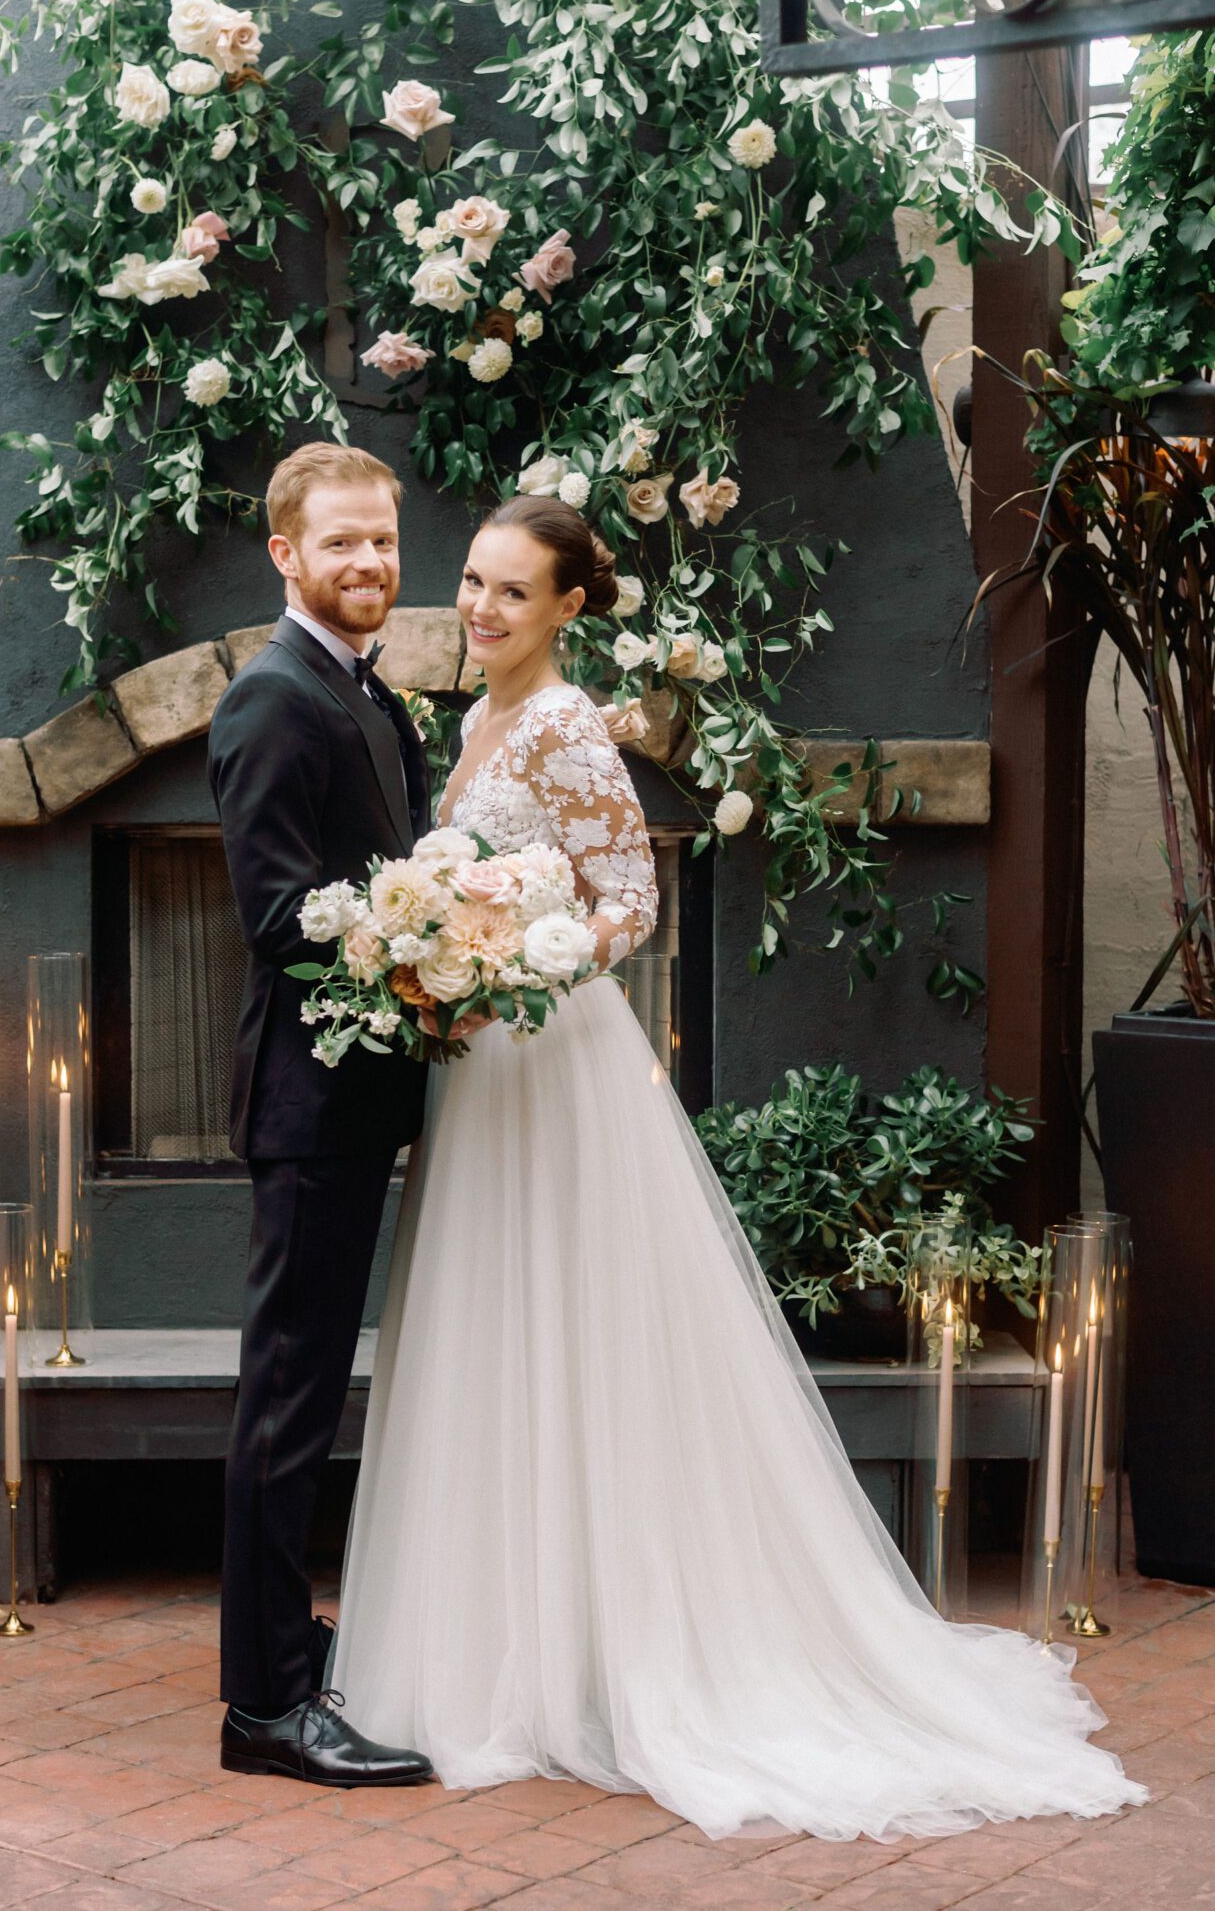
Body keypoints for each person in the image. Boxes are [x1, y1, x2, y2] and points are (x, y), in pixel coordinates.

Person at [323, 492, 1150, 1843]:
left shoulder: (569, 727)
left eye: (511, 594)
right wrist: (443, 964)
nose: (478, 610)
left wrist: (506, 967)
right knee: (493, 1329)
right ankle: (506, 1637)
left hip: (555, 1060)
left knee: (580, 1331)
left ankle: (619, 1650)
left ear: (568, 609)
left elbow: (630, 903)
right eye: (471, 583)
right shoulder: (471, 721)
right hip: (485, 1076)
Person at [208, 441, 434, 1789]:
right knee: (286, 1405)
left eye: (383, 543)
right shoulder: (270, 700)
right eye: (341, 543)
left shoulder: (356, 684)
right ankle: (264, 1710)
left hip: (358, 1100)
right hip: (309, 1103)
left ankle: (289, 1643)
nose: (368, 565)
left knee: (304, 1397)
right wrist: (419, 946)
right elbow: (279, 915)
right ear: (286, 554)